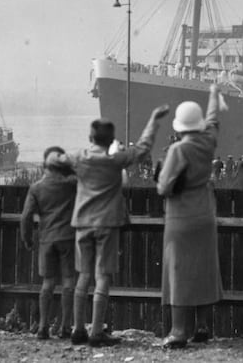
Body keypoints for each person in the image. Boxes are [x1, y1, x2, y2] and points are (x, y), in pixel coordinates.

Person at [61, 105, 169, 347]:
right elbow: (142, 148)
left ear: (90, 138)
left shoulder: (79, 158)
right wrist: (153, 118)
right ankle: (97, 331)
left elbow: (55, 160)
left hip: (82, 223)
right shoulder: (116, 160)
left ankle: (78, 328)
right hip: (107, 223)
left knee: (83, 276)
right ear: (111, 140)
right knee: (102, 277)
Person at [156, 84, 224, 349]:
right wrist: (213, 93)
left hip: (180, 216)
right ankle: (203, 326)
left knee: (179, 271)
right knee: (204, 268)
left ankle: (178, 331)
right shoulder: (208, 140)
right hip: (205, 212)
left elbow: (164, 187)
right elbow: (214, 118)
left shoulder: (177, 150)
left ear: (178, 127)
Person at [20, 146, 77, 340]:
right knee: (69, 281)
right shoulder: (71, 184)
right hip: (68, 236)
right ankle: (65, 326)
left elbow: (26, 216)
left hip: (46, 239)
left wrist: (27, 239)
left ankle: (43, 326)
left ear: (44, 165)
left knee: (48, 282)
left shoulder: (36, 188)